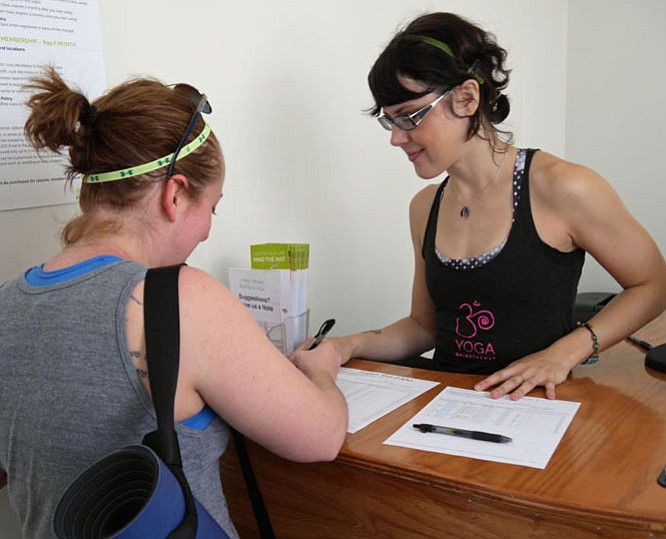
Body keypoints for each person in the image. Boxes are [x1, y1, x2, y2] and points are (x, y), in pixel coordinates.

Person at [0, 67, 348, 539]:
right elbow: (321, 437)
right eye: (213, 207)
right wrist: (321, 371)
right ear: (176, 194)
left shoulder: (7, 305)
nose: (208, 229)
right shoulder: (180, 298)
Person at [331, 12, 666, 401]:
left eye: (410, 117)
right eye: (390, 122)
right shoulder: (425, 207)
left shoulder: (562, 187)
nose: (397, 139)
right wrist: (345, 346)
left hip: (539, 408)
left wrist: (565, 352)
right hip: (451, 408)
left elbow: (654, 284)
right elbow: (424, 327)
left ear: (467, 98)